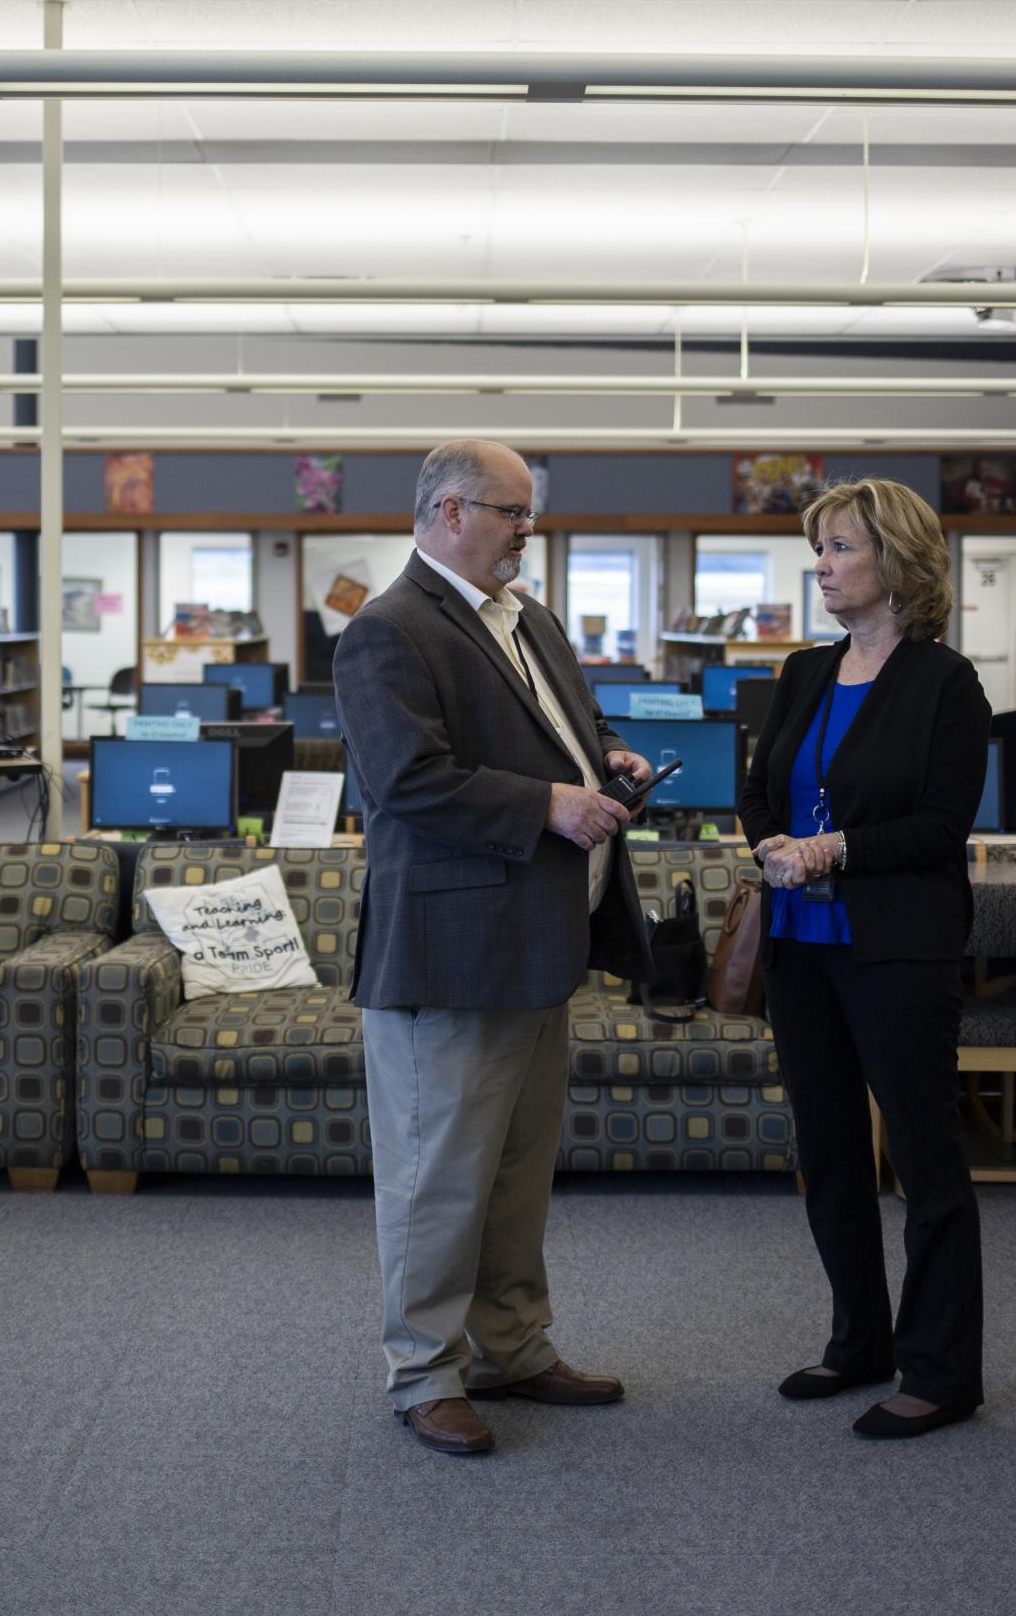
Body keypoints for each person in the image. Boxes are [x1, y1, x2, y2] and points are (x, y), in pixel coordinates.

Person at [333, 438, 656, 1458]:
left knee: (516, 1170)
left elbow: (565, 724)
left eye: (529, 511)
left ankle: (512, 1345)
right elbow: (407, 782)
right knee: (440, 1174)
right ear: (445, 511)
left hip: (538, 940)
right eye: (511, 511)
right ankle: (424, 1370)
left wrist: (602, 756)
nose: (529, 528)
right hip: (451, 948)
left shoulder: (528, 617)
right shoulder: (386, 630)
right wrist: (551, 801)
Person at [736, 477, 993, 1440]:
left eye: (840, 547)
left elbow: (938, 826)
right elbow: (757, 788)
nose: (823, 566)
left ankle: (941, 1370)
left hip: (897, 950)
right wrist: (774, 846)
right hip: (799, 950)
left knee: (925, 1162)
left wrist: (833, 849)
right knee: (830, 1154)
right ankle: (860, 1340)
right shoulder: (803, 671)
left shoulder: (945, 683)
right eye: (820, 549)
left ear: (896, 561)